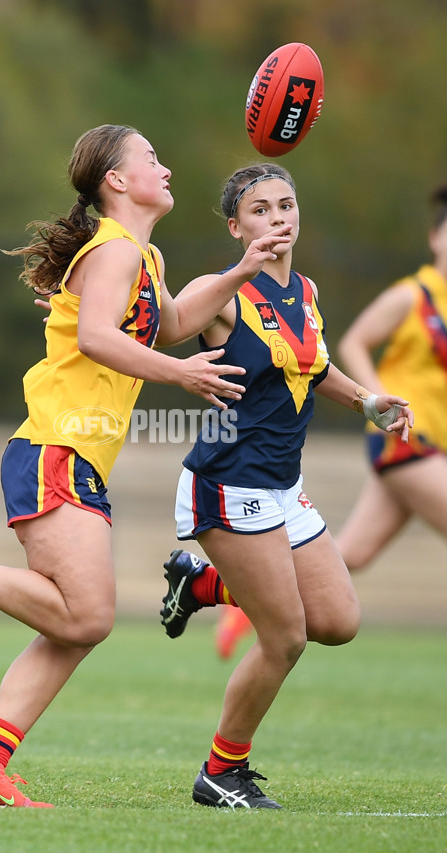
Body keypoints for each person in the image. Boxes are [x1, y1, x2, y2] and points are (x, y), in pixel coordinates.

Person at [0, 125, 293, 809]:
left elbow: (174, 320)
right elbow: (97, 336)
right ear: (118, 181)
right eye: (153, 158)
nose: (167, 165)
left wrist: (241, 273)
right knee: (87, 617)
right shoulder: (116, 249)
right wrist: (178, 374)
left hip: (71, 455)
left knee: (74, 622)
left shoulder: (139, 255)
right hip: (54, 450)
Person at [159, 162, 413, 810]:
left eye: (285, 205)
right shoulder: (223, 289)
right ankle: (221, 771)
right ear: (236, 224)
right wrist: (240, 269)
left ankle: (202, 584)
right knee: (286, 636)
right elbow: (169, 329)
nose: (278, 217)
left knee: (337, 620)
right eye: (262, 209)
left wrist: (367, 400)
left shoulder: (304, 289)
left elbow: (314, 363)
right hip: (226, 481)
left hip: (282, 484)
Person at [333, 185, 447, 571]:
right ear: (435, 238)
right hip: (407, 441)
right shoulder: (413, 295)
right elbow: (354, 343)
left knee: (348, 557)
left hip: (435, 450)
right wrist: (377, 402)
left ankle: (227, 589)